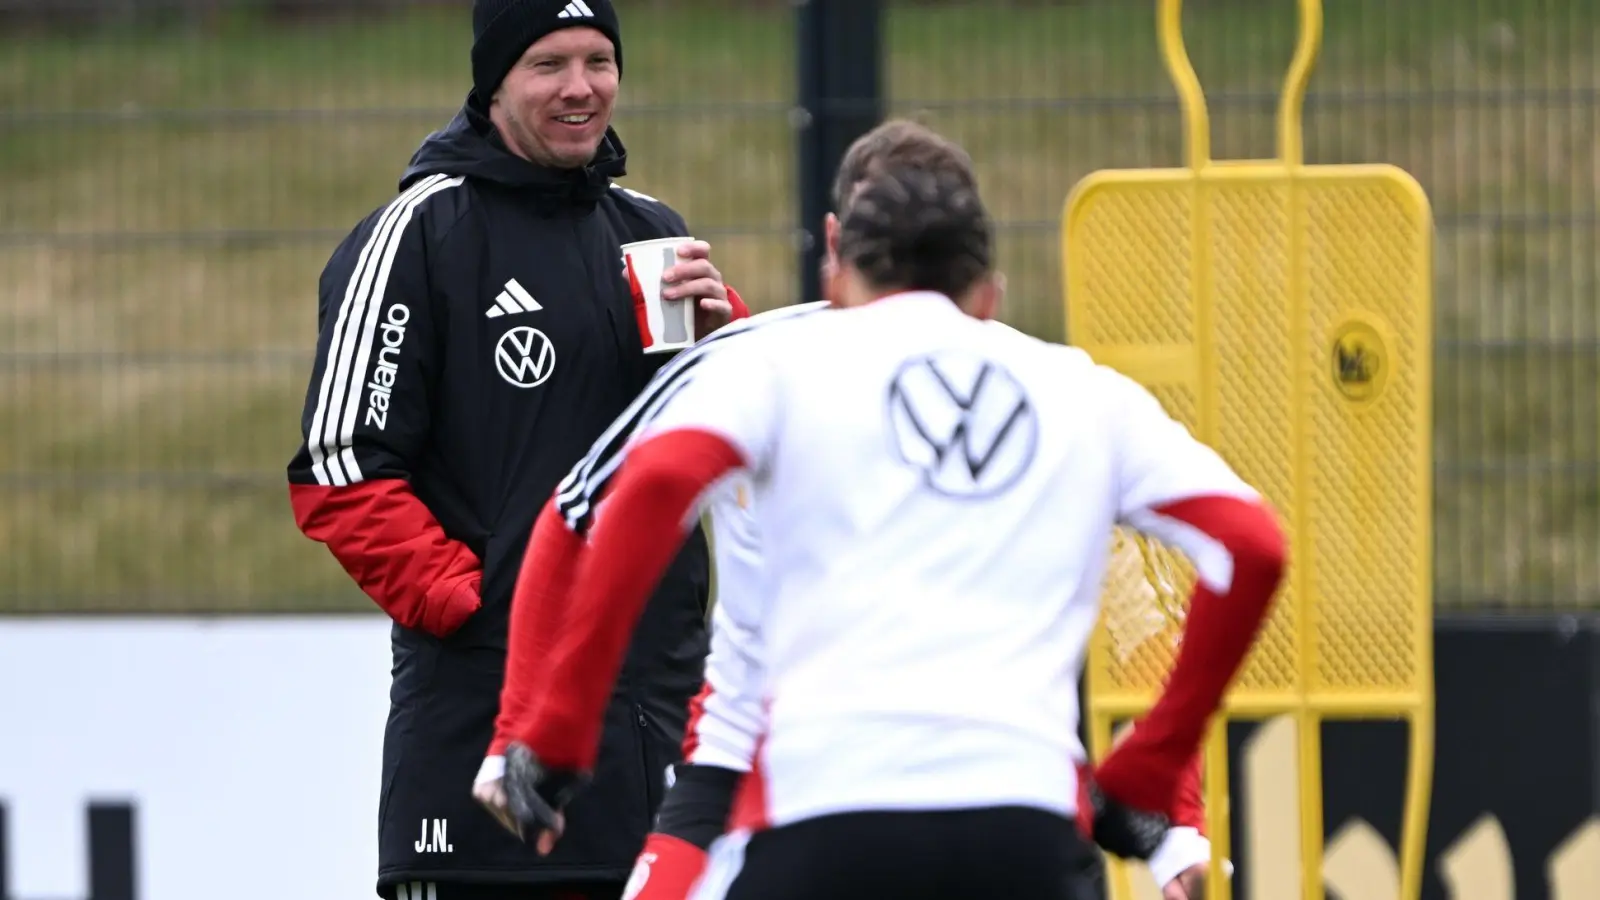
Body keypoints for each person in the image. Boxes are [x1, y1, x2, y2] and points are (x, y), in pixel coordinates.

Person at [484, 151, 1284, 895]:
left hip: (818, 801)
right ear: (989, 289)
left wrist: (551, 732)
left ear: (834, 262)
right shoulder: (1076, 388)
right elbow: (1239, 553)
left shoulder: (766, 368)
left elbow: (639, 492)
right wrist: (1155, 776)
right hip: (1023, 814)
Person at [284, 1, 748, 897]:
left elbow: (725, 455)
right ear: (494, 82)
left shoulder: (652, 229)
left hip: (654, 740)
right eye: (548, 65)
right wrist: (482, 604)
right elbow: (340, 470)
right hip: (483, 744)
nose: (581, 89)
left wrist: (728, 340)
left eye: (599, 61)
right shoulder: (420, 232)